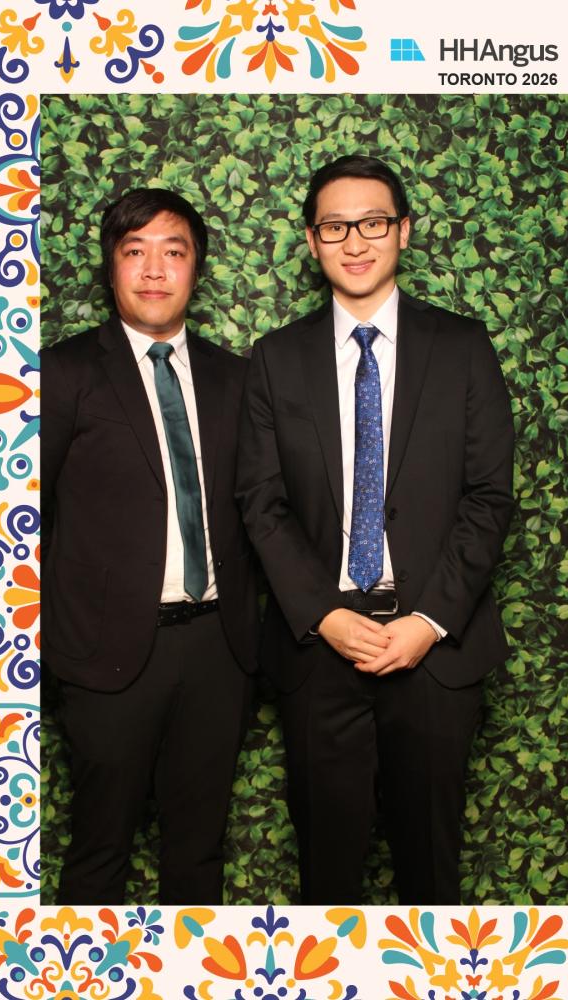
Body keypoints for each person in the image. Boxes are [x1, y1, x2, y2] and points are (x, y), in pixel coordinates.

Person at [236, 154, 514, 904]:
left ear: (403, 232)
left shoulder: (462, 347)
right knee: (326, 876)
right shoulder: (275, 359)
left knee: (431, 874)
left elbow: (489, 497)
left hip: (434, 651)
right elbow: (261, 502)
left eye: (373, 223)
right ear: (311, 240)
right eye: (335, 226)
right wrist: (323, 614)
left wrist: (428, 622)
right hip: (319, 653)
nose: (354, 241)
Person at [41, 188, 259, 904]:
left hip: (217, 649)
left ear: (197, 269)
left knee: (198, 852)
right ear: (111, 268)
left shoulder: (235, 378)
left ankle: (190, 963)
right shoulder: (62, 373)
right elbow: (20, 519)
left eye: (174, 252)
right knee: (99, 849)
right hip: (105, 654)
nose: (155, 270)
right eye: (135, 252)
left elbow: (263, 510)